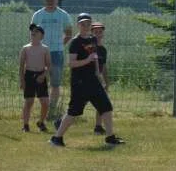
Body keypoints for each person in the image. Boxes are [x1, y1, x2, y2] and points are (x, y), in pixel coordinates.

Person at [49, 12, 125, 147]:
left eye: (88, 23)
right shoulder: (75, 42)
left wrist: (98, 73)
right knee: (74, 111)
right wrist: (86, 60)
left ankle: (110, 137)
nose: (86, 26)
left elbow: (94, 57)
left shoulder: (92, 39)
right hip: (80, 82)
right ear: (78, 25)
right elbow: (71, 63)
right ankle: (57, 138)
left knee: (106, 107)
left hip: (93, 80)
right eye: (83, 24)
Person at [31, 0, 73, 120]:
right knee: (41, 82)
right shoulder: (37, 15)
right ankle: (43, 109)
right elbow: (32, 34)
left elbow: (69, 33)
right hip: (40, 52)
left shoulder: (63, 15)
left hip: (56, 53)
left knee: (55, 83)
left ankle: (52, 111)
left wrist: (60, 45)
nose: (49, 0)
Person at [19, 23, 51, 132]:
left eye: (37, 31)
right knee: (29, 101)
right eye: (32, 31)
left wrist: (43, 75)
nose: (33, 32)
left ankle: (41, 122)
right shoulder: (25, 48)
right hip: (29, 76)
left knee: (45, 102)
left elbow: (49, 65)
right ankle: (25, 125)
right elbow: (21, 66)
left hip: (41, 75)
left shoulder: (45, 49)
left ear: (41, 36)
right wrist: (22, 80)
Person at [90, 21, 109, 135]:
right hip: (88, 79)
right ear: (91, 33)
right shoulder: (89, 47)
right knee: (78, 105)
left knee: (102, 103)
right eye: (95, 32)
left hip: (98, 80)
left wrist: (106, 82)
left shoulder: (103, 49)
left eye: (100, 32)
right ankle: (61, 121)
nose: (98, 34)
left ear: (103, 34)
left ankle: (98, 126)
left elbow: (104, 67)